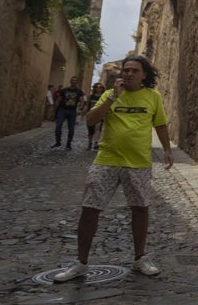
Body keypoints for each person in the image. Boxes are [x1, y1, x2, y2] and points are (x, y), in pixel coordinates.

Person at [53, 55, 173, 280]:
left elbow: (160, 124)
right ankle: (80, 263)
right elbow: (90, 120)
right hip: (106, 161)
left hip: (138, 163)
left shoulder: (153, 97)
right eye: (125, 70)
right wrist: (112, 99)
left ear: (144, 75)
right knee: (89, 210)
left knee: (140, 209)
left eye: (134, 71)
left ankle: (140, 259)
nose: (128, 74)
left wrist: (166, 149)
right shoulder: (109, 95)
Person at [52, 76, 85, 150]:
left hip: (72, 111)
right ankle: (58, 142)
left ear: (77, 82)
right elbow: (58, 100)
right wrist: (54, 110)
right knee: (58, 125)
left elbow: (82, 100)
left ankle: (68, 144)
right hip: (62, 109)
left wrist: (80, 109)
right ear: (70, 81)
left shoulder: (79, 92)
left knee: (71, 128)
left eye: (75, 81)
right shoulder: (64, 90)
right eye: (72, 80)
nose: (73, 82)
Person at [84, 82, 106, 150]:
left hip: (100, 115)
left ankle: (96, 142)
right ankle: (89, 143)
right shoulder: (91, 96)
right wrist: (85, 112)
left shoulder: (103, 96)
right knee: (90, 130)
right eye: (97, 87)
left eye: (100, 87)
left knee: (98, 127)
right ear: (94, 88)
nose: (98, 89)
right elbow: (88, 105)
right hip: (91, 114)